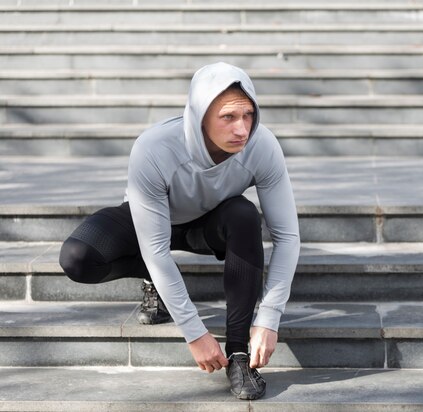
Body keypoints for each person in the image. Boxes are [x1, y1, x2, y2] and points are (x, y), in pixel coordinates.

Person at [58, 62, 301, 400]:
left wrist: (269, 318)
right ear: (200, 115)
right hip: (151, 220)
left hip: (208, 223)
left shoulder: (263, 146)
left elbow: (288, 237)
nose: (242, 129)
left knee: (245, 215)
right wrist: (194, 333)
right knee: (77, 258)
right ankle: (152, 281)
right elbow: (156, 249)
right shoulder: (154, 147)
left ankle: (239, 355)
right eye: (228, 117)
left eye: (248, 115)